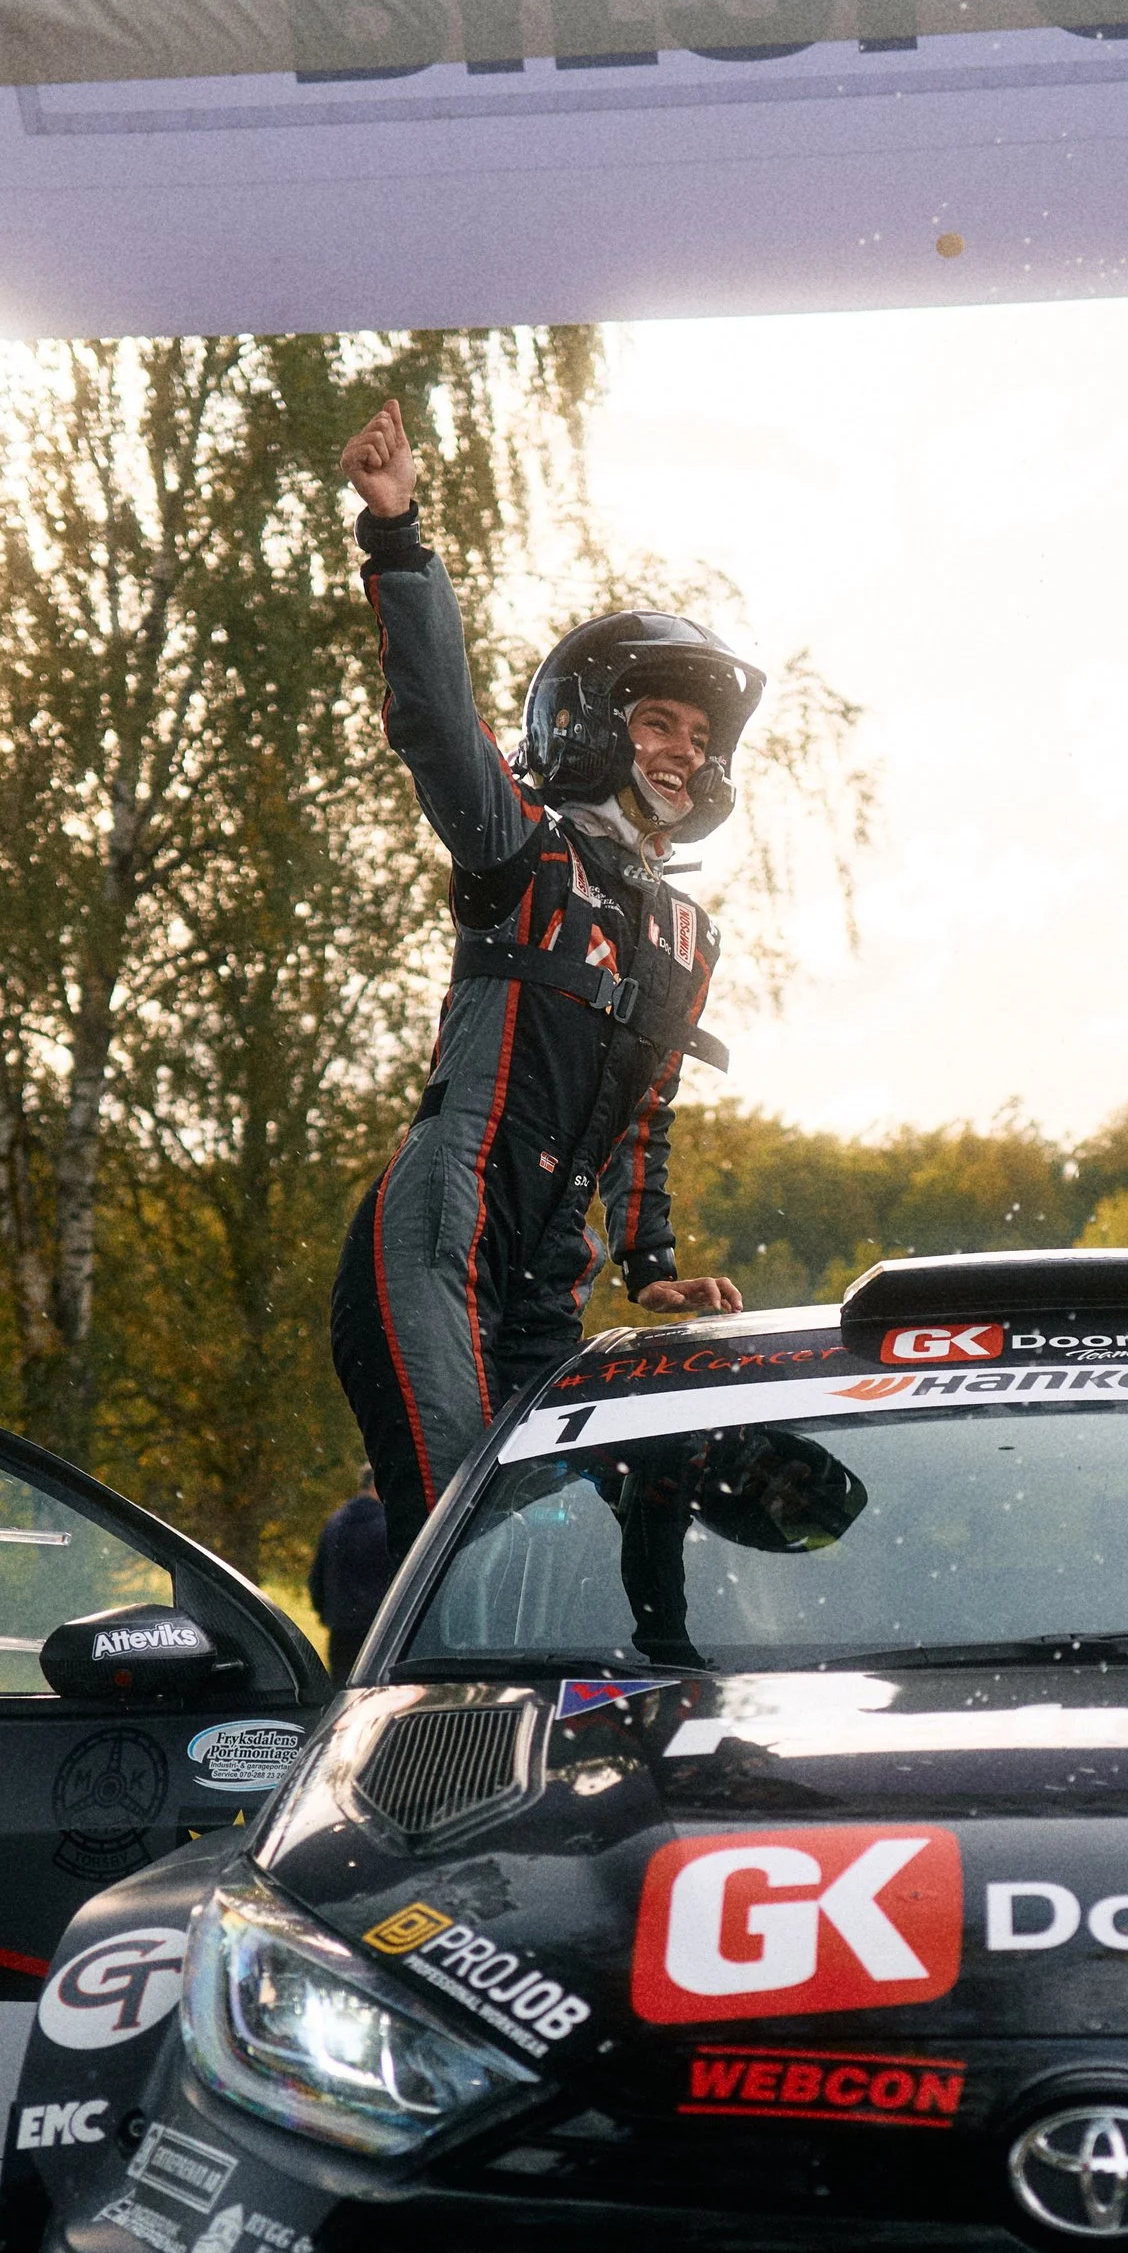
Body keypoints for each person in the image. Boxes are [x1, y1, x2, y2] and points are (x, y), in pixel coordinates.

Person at [328, 396, 750, 1556]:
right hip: (443, 1230)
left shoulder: (684, 935)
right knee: (457, 1545)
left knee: (552, 1554)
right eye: (658, 722)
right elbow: (433, 725)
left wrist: (651, 1263)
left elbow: (648, 1114)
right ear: (592, 727)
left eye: (698, 738)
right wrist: (398, 539)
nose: (683, 750)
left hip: (550, 1269)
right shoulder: (521, 848)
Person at [308, 1468, 394, 1684]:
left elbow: (316, 1579)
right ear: (377, 1486)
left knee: (343, 1693)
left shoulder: (334, 1524)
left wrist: (329, 1614)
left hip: (341, 1630)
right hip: (379, 1630)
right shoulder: (387, 1527)